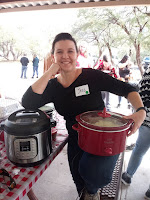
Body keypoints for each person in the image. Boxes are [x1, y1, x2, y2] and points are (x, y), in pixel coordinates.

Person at [21, 33, 146, 200]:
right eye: (59, 52)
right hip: (76, 139)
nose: (65, 56)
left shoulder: (92, 76)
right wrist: (51, 70)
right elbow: (28, 102)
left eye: (70, 51)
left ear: (77, 54)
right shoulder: (52, 87)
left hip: (103, 137)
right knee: (80, 179)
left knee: (93, 176)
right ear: (53, 56)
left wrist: (140, 110)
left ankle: (93, 193)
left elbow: (127, 89)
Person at [121, 66, 150, 200]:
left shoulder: (149, 72)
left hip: (147, 119)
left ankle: (128, 176)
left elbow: (141, 93)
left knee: (139, 149)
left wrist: (139, 111)